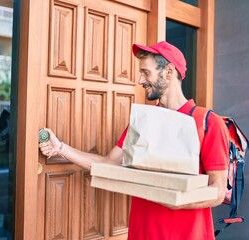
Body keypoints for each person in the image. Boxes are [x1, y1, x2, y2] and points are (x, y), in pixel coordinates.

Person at [39, 41, 229, 240]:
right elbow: (108, 163)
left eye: (146, 72)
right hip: (142, 233)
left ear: (169, 71)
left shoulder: (207, 122)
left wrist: (178, 201)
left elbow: (218, 190)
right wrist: (60, 147)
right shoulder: (142, 122)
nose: (140, 80)